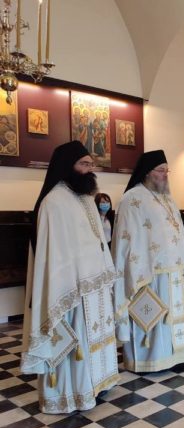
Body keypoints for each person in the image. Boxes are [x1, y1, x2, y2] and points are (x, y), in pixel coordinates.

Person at [20, 141, 119, 414]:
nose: (89, 170)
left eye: (91, 165)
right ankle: (71, 394)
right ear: (67, 166)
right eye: (84, 164)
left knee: (94, 337)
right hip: (70, 289)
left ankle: (96, 384)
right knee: (75, 338)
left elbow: (98, 241)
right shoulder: (53, 202)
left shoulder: (86, 198)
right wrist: (72, 281)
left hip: (93, 285)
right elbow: (53, 253)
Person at [111, 150, 184, 372]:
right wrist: (136, 271)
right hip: (150, 272)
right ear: (147, 172)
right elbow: (125, 240)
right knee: (154, 316)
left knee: (175, 314)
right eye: (161, 170)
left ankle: (178, 353)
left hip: (176, 269)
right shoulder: (132, 198)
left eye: (167, 170)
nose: (165, 175)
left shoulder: (168, 198)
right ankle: (151, 359)